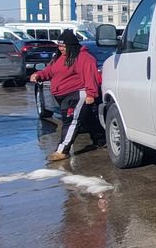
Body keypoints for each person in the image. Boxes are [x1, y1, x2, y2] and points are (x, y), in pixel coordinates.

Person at [29, 30, 105, 161]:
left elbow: (90, 76)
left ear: (72, 46)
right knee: (87, 120)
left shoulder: (84, 58)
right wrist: (40, 75)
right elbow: (50, 70)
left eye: (64, 46)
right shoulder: (59, 57)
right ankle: (101, 140)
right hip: (62, 95)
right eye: (59, 46)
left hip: (77, 94)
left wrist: (91, 94)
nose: (61, 49)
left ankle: (62, 150)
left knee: (70, 122)